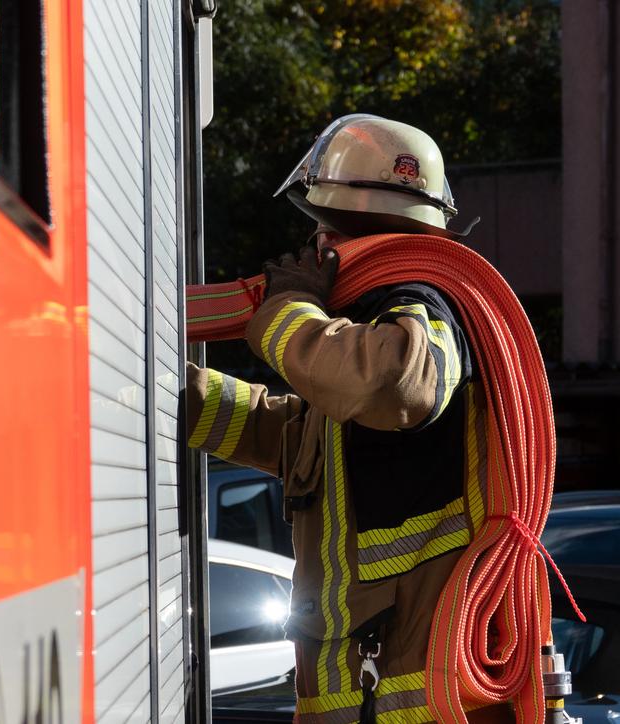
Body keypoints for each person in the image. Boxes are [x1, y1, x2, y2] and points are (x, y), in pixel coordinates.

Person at [186, 115, 514, 723]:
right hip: (366, 690)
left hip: (414, 697)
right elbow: (300, 436)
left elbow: (393, 384)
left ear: (338, 236)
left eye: (318, 229)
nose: (310, 247)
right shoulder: (368, 344)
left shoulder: (424, 309)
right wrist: (170, 396)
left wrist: (287, 310)